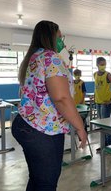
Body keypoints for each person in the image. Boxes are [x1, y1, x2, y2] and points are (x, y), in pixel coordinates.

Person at [12, 21, 87, 191]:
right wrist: (80, 127)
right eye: (60, 37)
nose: (62, 41)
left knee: (37, 179)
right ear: (50, 37)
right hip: (44, 130)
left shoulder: (33, 57)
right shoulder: (51, 57)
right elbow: (61, 98)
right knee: (46, 184)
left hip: (25, 124)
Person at [94, 57, 111, 148]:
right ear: (97, 65)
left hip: (106, 102)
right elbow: (96, 87)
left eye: (104, 64)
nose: (103, 66)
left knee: (106, 124)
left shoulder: (108, 75)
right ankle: (104, 144)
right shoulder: (95, 74)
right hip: (98, 102)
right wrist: (95, 97)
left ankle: (110, 144)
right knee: (101, 124)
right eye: (101, 64)